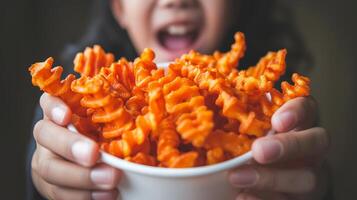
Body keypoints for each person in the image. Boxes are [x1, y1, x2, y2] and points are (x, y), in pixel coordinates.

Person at [26, 0, 332, 199]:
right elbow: (50, 171)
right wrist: (46, 185)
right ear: (119, 9)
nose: (177, 0)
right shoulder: (77, 102)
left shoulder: (270, 105)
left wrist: (313, 184)